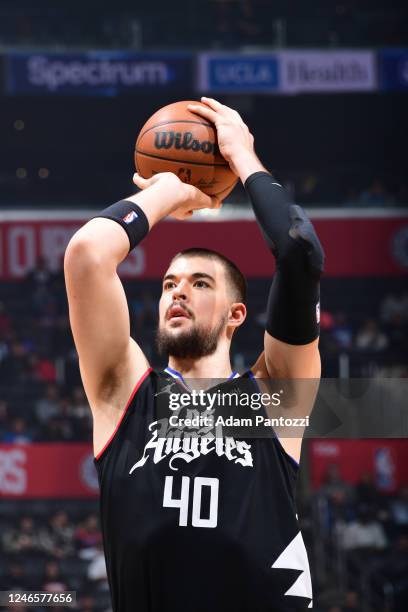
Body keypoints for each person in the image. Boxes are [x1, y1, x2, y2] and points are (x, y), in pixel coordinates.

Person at [65, 97, 324, 611]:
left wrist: (243, 157)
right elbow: (88, 255)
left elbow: (299, 250)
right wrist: (166, 190)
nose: (177, 292)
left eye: (199, 283)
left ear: (236, 314)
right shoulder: (125, 392)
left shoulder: (273, 397)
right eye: (168, 284)